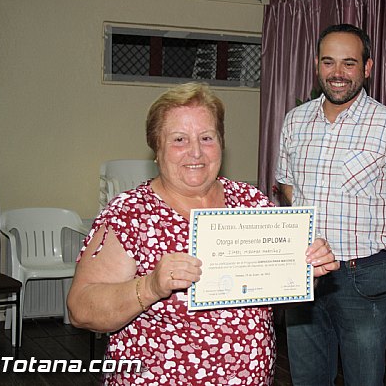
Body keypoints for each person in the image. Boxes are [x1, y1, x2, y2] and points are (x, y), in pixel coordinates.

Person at [67, 82, 339, 385]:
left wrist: (308, 272)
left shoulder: (251, 202)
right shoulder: (129, 213)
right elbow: (81, 308)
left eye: (207, 138)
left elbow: (279, 294)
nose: (196, 151)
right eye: (179, 139)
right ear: (156, 148)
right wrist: (151, 286)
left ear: (221, 142)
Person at [275, 23, 386, 385]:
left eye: (349, 63)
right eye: (329, 62)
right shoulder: (295, 121)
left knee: (364, 378)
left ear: (368, 67)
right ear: (317, 65)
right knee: (307, 377)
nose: (338, 74)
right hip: (306, 273)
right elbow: (286, 186)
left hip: (365, 276)